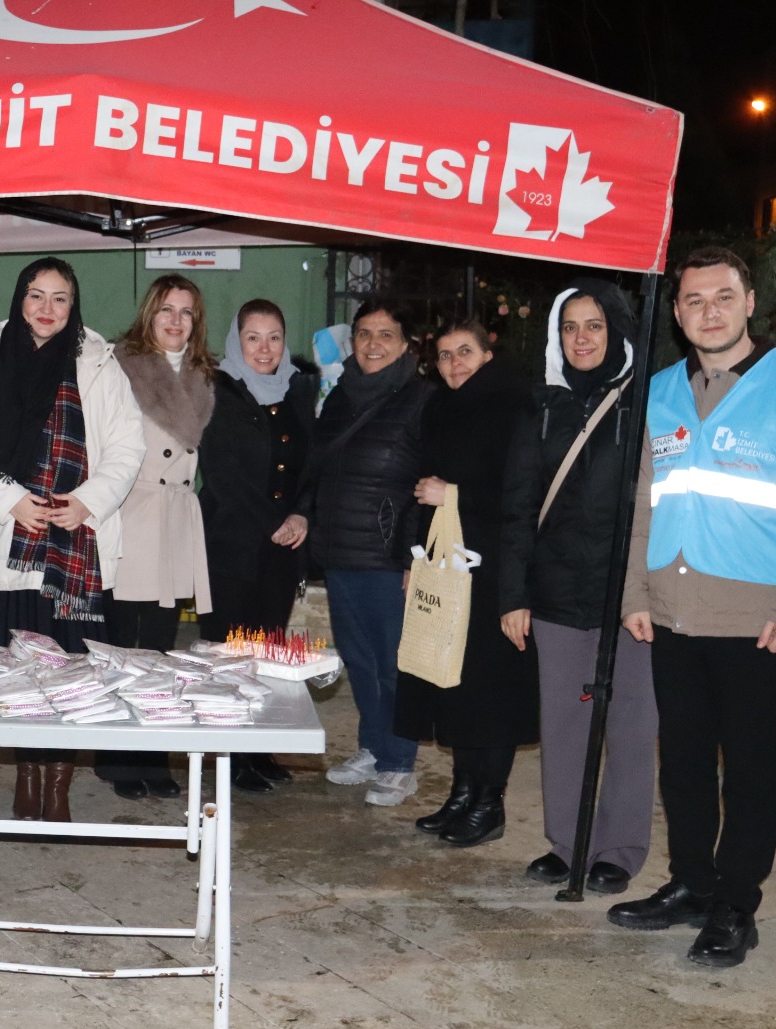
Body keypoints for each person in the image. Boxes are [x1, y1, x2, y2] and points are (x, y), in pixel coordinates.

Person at [610, 247, 776, 968]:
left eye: (721, 297)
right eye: (691, 301)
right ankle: (690, 881)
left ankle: (736, 902)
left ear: (749, 302)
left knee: (749, 770)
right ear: (677, 314)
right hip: (673, 613)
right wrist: (634, 593)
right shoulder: (659, 391)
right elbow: (642, 505)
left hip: (760, 623)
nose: (706, 312)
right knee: (681, 763)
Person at [0, 257, 144, 822]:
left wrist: (86, 502)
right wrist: (11, 501)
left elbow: (127, 446)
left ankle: (57, 780)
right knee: (15, 669)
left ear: (73, 304)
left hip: (73, 546)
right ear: (19, 297)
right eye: (37, 295)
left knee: (71, 673)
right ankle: (26, 772)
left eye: (60, 298)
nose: (47, 309)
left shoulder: (99, 362)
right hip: (10, 539)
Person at [499, 283, 656, 892]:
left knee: (633, 729)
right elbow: (517, 507)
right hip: (557, 596)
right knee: (565, 726)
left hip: (630, 601)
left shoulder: (644, 405)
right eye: (570, 327)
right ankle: (569, 843)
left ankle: (618, 848)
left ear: (616, 332)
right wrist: (514, 595)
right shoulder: (541, 408)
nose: (582, 338)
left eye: (594, 325)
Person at [395, 321, 538, 846]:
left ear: (488, 354)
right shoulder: (441, 407)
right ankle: (461, 790)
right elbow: (421, 487)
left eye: (466, 352)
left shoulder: (514, 406)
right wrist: (413, 558)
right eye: (446, 355)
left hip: (495, 567)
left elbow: (523, 494)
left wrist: (452, 493)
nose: (455, 363)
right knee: (449, 680)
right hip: (447, 562)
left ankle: (489, 802)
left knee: (488, 689)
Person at [306, 299, 435, 806]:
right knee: (360, 661)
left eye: (386, 334)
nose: (373, 344)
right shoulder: (339, 396)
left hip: (389, 559)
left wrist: (413, 556)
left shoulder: (423, 398)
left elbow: (430, 483)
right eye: (364, 334)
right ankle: (372, 748)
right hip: (342, 552)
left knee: (394, 665)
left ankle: (401, 762)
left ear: (405, 344)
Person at [93, 275, 215, 800]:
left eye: (187, 312)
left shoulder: (204, 377)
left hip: (174, 518)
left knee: (163, 648)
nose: (176, 321)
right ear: (149, 313)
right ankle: (117, 757)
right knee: (123, 644)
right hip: (132, 513)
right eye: (167, 309)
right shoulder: (120, 368)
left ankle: (155, 757)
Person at [197, 299, 316, 793]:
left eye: (273, 337)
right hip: (231, 543)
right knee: (230, 652)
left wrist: (302, 513)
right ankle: (229, 755)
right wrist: (273, 520)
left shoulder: (299, 388)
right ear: (236, 340)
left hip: (283, 545)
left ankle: (257, 750)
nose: (264, 348)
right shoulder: (217, 390)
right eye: (253, 337)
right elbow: (221, 473)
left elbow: (314, 461)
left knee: (267, 651)